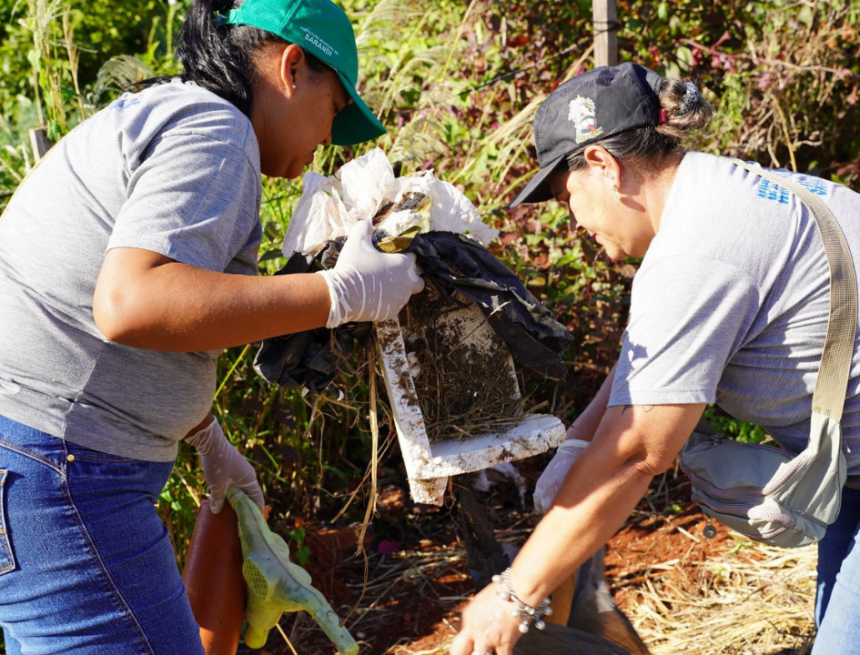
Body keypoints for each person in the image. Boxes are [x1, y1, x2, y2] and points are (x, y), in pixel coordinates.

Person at [0, 0, 424, 652]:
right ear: (291, 66)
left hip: (34, 461)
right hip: (59, 472)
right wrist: (339, 293)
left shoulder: (168, 114)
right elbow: (130, 302)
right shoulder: (218, 132)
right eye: (333, 109)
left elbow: (96, 298)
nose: (323, 139)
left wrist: (205, 434)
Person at [451, 62, 860, 655]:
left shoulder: (697, 252)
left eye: (569, 199)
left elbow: (641, 449)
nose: (576, 223)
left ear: (603, 166)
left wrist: (513, 595)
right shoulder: (721, 193)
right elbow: (647, 365)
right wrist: (576, 446)